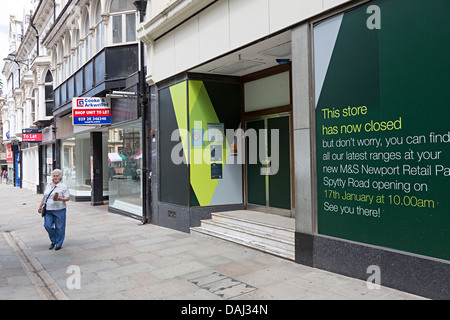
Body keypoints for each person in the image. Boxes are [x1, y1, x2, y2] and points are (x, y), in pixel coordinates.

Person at [38, 169, 70, 251]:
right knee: (47, 225)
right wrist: (40, 206)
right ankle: (54, 240)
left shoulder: (63, 186)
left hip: (59, 210)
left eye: (57, 176)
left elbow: (67, 198)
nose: (55, 177)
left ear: (60, 177)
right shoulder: (48, 185)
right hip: (48, 210)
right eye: (54, 176)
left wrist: (60, 199)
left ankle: (58, 243)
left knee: (59, 227)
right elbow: (45, 197)